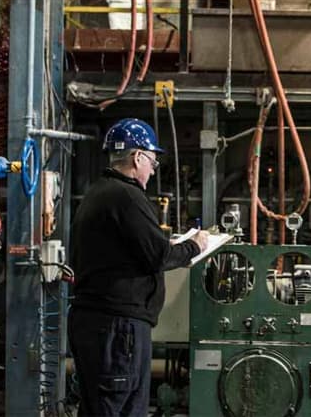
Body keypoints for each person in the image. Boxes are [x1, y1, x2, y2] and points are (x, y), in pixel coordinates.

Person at [69, 118, 209, 416]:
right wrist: (194, 246)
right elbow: (158, 256)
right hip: (118, 329)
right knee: (120, 408)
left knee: (100, 407)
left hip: (98, 324)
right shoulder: (126, 196)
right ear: (138, 157)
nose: (153, 169)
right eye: (153, 162)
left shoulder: (99, 193)